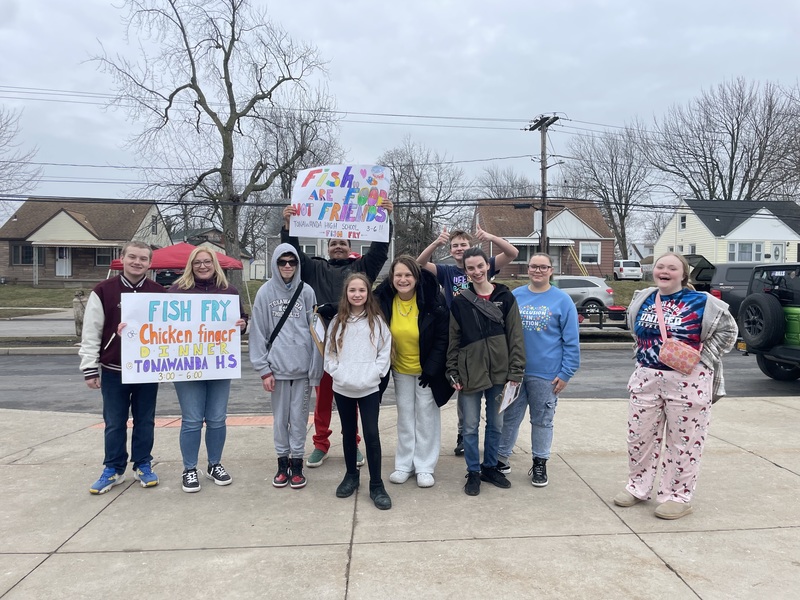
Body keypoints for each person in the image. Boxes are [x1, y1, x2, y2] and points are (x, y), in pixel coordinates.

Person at [613, 252, 737, 520]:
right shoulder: (644, 297)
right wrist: (644, 351)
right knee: (639, 437)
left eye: (672, 267)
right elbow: (635, 329)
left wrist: (702, 360)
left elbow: (729, 332)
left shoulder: (703, 302)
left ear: (683, 274)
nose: (664, 271)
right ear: (654, 271)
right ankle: (638, 487)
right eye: (660, 266)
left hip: (688, 380)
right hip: (646, 377)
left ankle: (677, 496)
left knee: (684, 442)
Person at [281, 202, 393, 468]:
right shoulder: (314, 268)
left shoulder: (361, 269)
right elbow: (294, 252)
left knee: (352, 395)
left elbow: (379, 251)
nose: (338, 246)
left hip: (355, 343)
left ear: (350, 247)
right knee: (323, 398)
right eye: (333, 243)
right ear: (327, 247)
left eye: (342, 242)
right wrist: (288, 227)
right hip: (322, 343)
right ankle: (321, 443)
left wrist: (386, 219)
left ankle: (353, 444)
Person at [417, 224, 519, 456]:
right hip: (459, 334)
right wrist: (436, 243)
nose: (460, 248)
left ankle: (491, 446)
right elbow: (420, 263)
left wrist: (490, 236)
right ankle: (464, 433)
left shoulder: (483, 266)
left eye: (464, 244)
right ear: (451, 251)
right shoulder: (447, 272)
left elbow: (512, 253)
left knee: (491, 394)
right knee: (465, 390)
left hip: (486, 335)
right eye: (455, 246)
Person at [80, 240, 165, 495]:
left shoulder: (158, 291)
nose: (137, 262)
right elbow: (91, 331)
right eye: (133, 257)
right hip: (114, 369)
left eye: (143, 259)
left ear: (150, 263)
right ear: (122, 258)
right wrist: (90, 367)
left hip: (146, 369)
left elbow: (169, 332)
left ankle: (142, 464)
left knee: (145, 420)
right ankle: (113, 468)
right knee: (115, 422)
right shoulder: (104, 290)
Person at [446, 247, 525, 496]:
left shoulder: (506, 297)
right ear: (466, 271)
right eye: (471, 268)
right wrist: (453, 372)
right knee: (469, 427)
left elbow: (516, 336)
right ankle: (473, 471)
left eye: (480, 266)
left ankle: (490, 467)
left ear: (487, 266)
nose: (477, 271)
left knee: (496, 424)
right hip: (470, 374)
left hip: (500, 374)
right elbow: (454, 340)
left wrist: (516, 371)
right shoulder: (460, 302)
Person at [496, 253, 580, 487]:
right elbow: (504, 332)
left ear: (551, 271)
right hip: (516, 371)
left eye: (544, 267)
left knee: (542, 420)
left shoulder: (562, 301)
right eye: (534, 266)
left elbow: (571, 341)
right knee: (509, 417)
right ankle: (501, 458)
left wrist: (566, 373)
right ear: (528, 269)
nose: (538, 271)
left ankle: (540, 461)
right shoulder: (515, 296)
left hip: (547, 374)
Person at [168, 247, 247, 493]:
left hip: (219, 364)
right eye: (198, 262)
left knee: (216, 419)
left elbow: (241, 323)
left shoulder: (229, 292)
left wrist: (242, 325)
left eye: (207, 262)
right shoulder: (177, 291)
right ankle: (189, 469)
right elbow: (162, 326)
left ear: (215, 264)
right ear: (191, 265)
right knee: (192, 420)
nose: (203, 266)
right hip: (187, 366)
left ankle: (215, 464)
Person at [375, 256, 453, 488]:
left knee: (426, 418)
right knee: (406, 417)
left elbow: (442, 338)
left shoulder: (432, 301)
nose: (403, 279)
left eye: (408, 275)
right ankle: (404, 464)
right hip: (400, 369)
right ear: (391, 279)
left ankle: (425, 466)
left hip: (426, 372)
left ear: (416, 278)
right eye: (398, 275)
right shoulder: (385, 300)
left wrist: (431, 369)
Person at [249, 244, 323, 489]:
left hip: (301, 370)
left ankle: (297, 463)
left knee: (300, 419)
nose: (288, 266)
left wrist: (315, 371)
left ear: (298, 264)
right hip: (277, 369)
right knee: (280, 419)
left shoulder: (307, 292)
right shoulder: (264, 293)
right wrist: (263, 369)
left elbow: (315, 333)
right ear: (275, 264)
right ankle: (282, 463)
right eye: (283, 262)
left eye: (292, 261)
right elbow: (258, 332)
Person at [324, 273, 392, 509]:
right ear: (346, 294)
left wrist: (374, 373)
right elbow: (329, 354)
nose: (357, 295)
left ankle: (376, 484)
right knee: (349, 432)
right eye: (352, 290)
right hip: (343, 387)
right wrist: (339, 372)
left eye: (361, 290)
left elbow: (385, 352)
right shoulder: (337, 322)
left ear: (368, 293)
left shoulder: (377, 322)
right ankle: (351, 475)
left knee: (372, 434)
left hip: (369, 387)